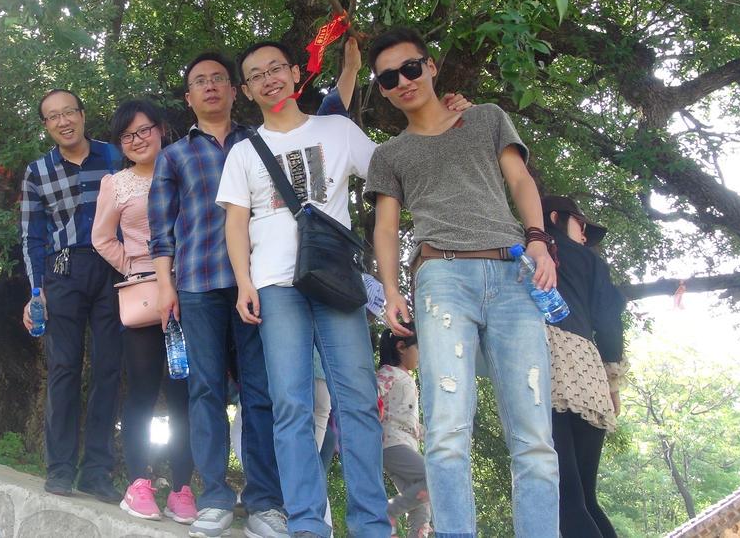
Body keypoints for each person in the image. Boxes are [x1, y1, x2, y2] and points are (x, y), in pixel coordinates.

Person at [366, 27, 559, 537]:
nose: (403, 81)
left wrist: (538, 240)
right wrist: (391, 290)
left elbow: (520, 180)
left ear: (430, 66)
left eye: (410, 68)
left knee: (535, 435)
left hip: (513, 273)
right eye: (389, 78)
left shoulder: (486, 117)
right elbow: (386, 228)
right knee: (447, 432)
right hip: (442, 276)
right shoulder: (390, 154)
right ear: (382, 90)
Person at [217, 40, 389, 538]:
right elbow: (236, 223)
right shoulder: (243, 151)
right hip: (275, 284)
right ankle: (307, 523)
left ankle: (371, 525)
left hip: (334, 280)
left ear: (296, 74)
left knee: (356, 401)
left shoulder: (336, 130)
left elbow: (391, 174)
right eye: (256, 75)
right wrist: (244, 282)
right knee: (290, 405)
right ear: (247, 90)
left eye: (276, 68)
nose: (268, 79)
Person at [148, 53, 288, 538]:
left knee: (260, 392)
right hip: (197, 282)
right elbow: (161, 230)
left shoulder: (260, 142)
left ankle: (265, 501)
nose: (209, 87)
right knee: (205, 390)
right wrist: (166, 286)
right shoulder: (174, 156)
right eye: (199, 82)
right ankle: (213, 497)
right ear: (189, 98)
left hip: (259, 281)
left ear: (234, 90)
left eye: (218, 80)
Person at [91, 100, 197, 524]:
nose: (137, 140)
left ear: (161, 128)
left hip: (191, 291)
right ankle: (138, 483)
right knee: (142, 390)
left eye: (143, 130)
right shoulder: (116, 184)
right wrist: (135, 268)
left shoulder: (186, 169)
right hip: (144, 296)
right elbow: (101, 238)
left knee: (184, 394)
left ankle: (183, 488)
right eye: (127, 135)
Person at [20, 89, 125, 503]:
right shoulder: (37, 172)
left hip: (113, 269)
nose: (63, 121)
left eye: (69, 112)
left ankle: (96, 472)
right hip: (63, 272)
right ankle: (60, 469)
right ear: (46, 125)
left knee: (108, 368)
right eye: (53, 116)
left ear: (82, 115)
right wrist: (36, 292)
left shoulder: (115, 156)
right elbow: (32, 236)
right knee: (63, 368)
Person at [540, 195, 626, 538]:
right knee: (586, 499)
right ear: (556, 217)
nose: (585, 235)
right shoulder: (591, 261)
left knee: (567, 499)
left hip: (548, 367)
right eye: (581, 224)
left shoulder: (524, 254)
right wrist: (613, 384)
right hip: (590, 375)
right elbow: (609, 322)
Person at [377, 329, 431, 538]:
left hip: (407, 446)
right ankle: (387, 512)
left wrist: (435, 435)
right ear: (401, 347)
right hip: (392, 444)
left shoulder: (406, 378)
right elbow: (371, 396)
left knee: (422, 509)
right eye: (418, 348)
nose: (421, 354)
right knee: (434, 478)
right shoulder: (389, 372)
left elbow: (411, 423)